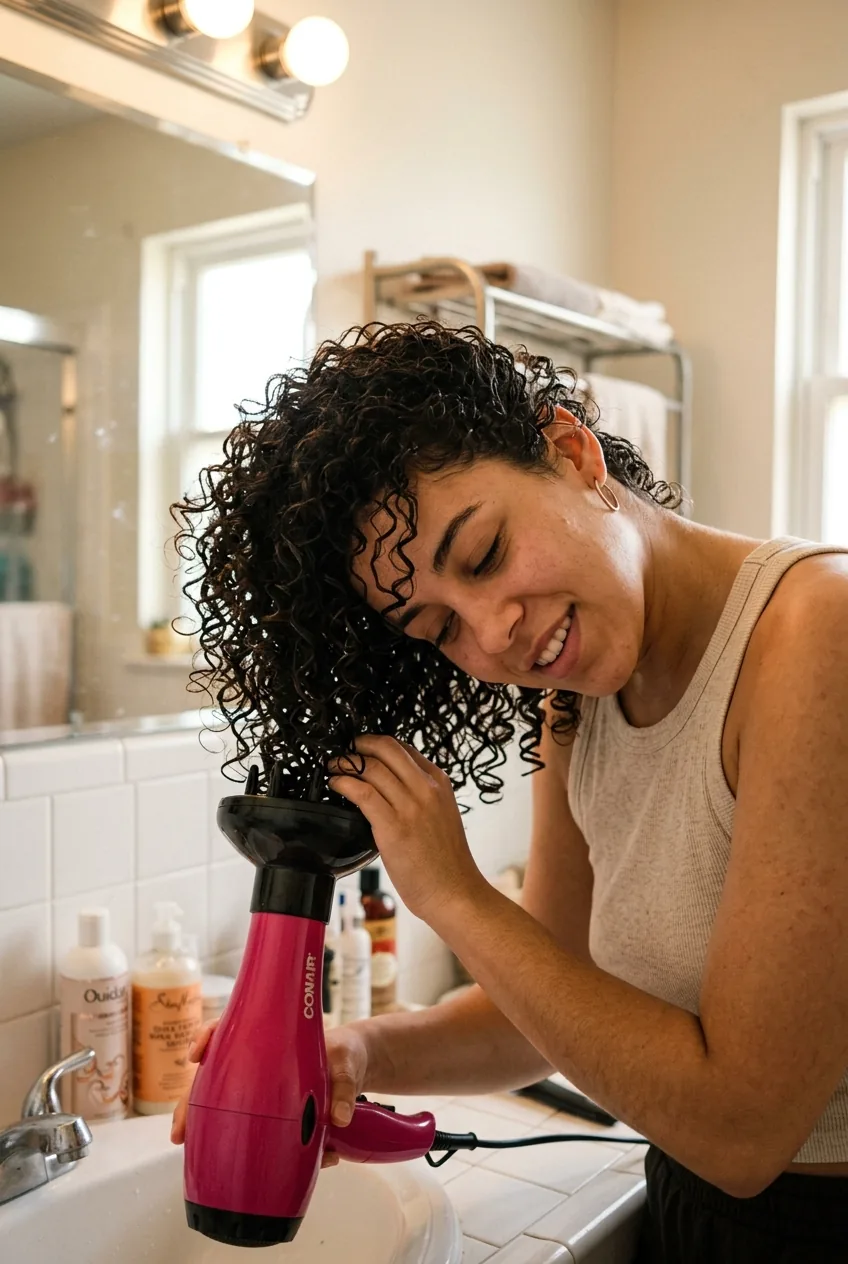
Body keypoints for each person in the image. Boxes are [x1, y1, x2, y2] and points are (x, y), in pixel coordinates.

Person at [171, 321, 848, 1262]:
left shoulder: (821, 634)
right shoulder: (581, 703)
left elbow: (743, 1131)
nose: (493, 637)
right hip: (695, 1211)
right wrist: (362, 1053)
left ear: (569, 450)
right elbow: (540, 1022)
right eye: (436, 624)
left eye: (484, 554)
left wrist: (453, 896)